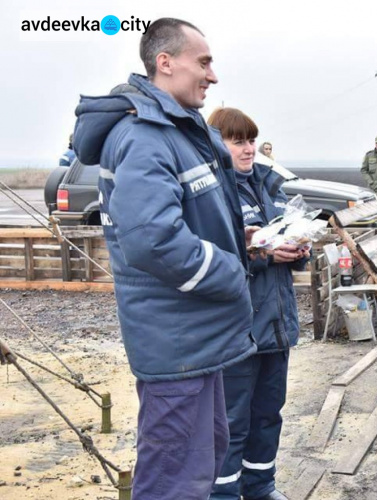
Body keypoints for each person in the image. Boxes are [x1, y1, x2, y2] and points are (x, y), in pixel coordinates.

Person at [72, 18, 257, 499]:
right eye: (204, 62)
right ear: (166, 62)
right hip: (176, 343)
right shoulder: (145, 135)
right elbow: (153, 240)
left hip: (196, 338)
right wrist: (230, 269)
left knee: (204, 455)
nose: (212, 76)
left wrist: (244, 240)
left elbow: (189, 219)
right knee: (174, 475)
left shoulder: (177, 129)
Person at [207, 108, 309, 500]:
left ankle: (261, 487)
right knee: (232, 421)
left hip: (276, 325)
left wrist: (299, 249)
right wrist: (261, 254)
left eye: (251, 139)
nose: (248, 148)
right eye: (238, 141)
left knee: (268, 415)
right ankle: (224, 494)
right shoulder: (214, 194)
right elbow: (214, 257)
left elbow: (286, 241)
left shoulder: (268, 187)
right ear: (218, 143)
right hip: (239, 329)